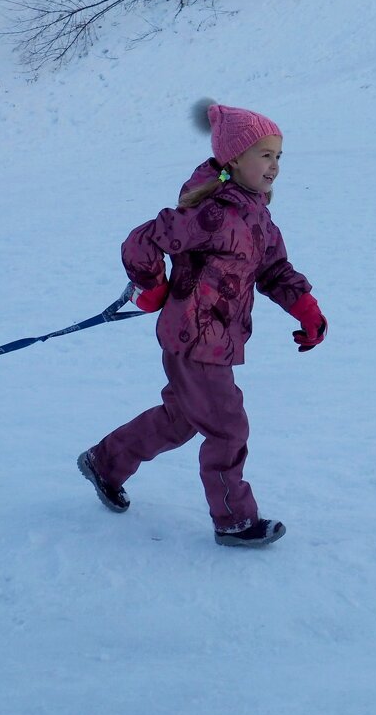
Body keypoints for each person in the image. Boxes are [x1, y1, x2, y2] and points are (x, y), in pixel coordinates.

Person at [77, 100, 328, 548]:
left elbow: (274, 271)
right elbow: (142, 241)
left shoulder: (256, 215)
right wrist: (152, 286)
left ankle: (105, 461)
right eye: (264, 154)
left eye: (278, 156)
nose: (274, 166)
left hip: (215, 338)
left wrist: (307, 310)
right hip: (196, 340)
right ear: (234, 157)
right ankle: (234, 519)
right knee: (228, 428)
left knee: (180, 419)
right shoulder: (213, 213)